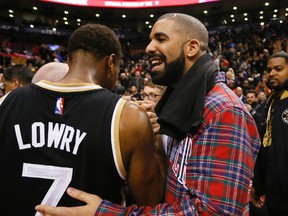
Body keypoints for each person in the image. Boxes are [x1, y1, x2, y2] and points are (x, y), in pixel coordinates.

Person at [35, 13, 261, 216]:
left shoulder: (224, 111)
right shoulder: (183, 103)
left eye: (161, 39)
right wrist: (152, 141)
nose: (149, 47)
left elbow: (213, 211)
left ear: (191, 48)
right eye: (151, 39)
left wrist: (107, 212)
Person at [0, 23, 165, 215]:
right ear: (111, 62)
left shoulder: (5, 102)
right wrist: (156, 143)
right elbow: (151, 201)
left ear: (69, 60)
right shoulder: (128, 118)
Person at [251, 51, 288, 215]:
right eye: (269, 70)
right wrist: (257, 186)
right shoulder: (266, 107)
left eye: (278, 69)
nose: (272, 73)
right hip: (273, 195)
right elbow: (261, 150)